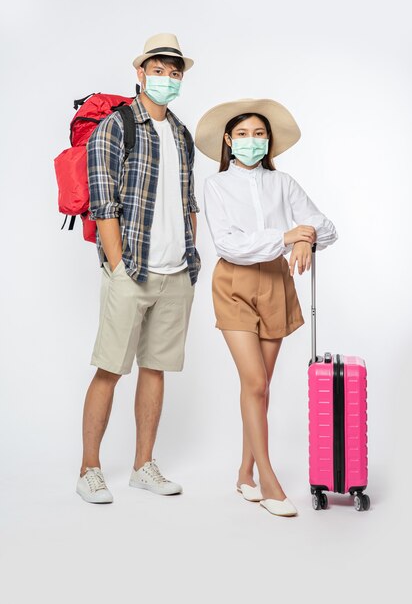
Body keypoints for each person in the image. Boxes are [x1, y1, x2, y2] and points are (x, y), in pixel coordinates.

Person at [195, 98, 337, 516]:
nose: (251, 141)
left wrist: (305, 236)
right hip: (235, 284)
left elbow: (327, 227)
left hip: (277, 282)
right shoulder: (216, 185)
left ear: (269, 141)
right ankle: (269, 482)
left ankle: (244, 474)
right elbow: (230, 244)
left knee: (260, 388)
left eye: (259, 134)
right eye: (242, 134)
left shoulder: (284, 183)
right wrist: (287, 234)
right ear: (228, 139)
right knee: (254, 382)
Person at [76, 33, 201, 504]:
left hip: (176, 273)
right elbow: (103, 204)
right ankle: (89, 468)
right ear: (140, 72)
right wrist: (118, 265)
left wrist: (193, 259)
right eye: (159, 70)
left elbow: (188, 200)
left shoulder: (183, 134)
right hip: (132, 270)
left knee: (155, 369)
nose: (166, 79)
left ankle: (142, 465)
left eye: (175, 73)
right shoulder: (116, 125)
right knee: (110, 368)